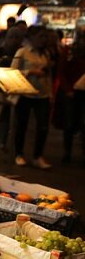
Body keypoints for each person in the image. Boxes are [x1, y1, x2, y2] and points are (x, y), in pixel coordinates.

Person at [11, 26, 54, 168]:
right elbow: (13, 72)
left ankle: (38, 155)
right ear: (32, 37)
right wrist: (30, 72)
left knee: (43, 126)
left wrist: (50, 93)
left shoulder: (45, 53)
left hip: (42, 94)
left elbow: (48, 75)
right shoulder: (23, 52)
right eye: (41, 36)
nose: (44, 40)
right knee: (22, 125)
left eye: (45, 37)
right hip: (25, 94)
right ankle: (18, 154)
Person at [55, 33, 85, 164]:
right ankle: (67, 152)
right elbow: (61, 71)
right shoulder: (69, 51)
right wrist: (68, 89)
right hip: (71, 92)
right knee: (69, 123)